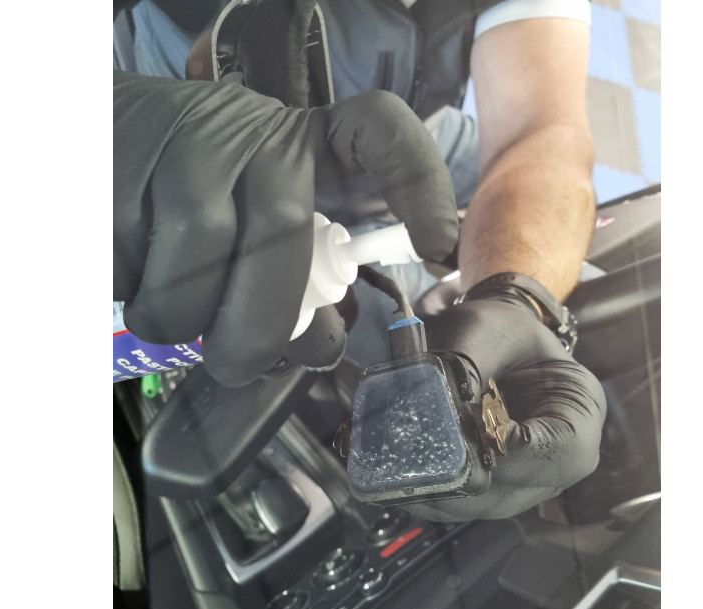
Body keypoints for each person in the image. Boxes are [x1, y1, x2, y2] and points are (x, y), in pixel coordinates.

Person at [113, 0, 607, 521]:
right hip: (186, 159)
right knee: (370, 357)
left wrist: (516, 294)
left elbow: (541, 132)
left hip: (411, 137)